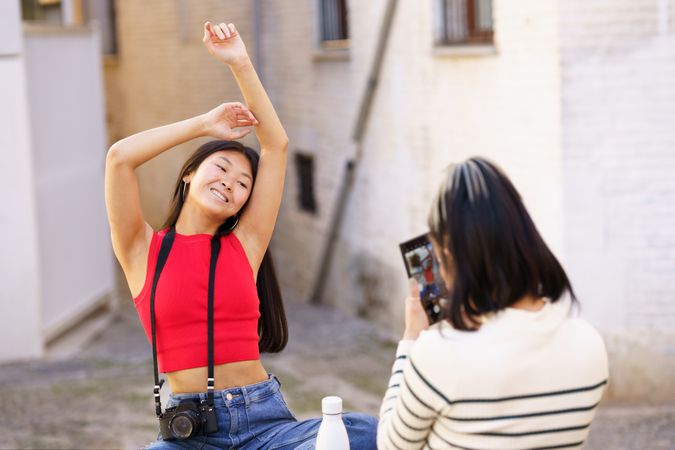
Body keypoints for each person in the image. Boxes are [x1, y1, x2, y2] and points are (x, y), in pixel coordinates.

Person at [105, 20, 377, 449]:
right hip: (189, 432)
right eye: (221, 168)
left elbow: (276, 145)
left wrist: (239, 61)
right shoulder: (142, 250)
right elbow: (120, 158)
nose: (231, 182)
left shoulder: (244, 245)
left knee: (365, 433)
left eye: (244, 183)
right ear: (189, 174)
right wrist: (204, 125)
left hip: (266, 425)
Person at [377, 158, 608, 450]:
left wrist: (411, 339)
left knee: (354, 430)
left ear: (449, 256)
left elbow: (390, 446)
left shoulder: (437, 355)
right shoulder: (588, 344)